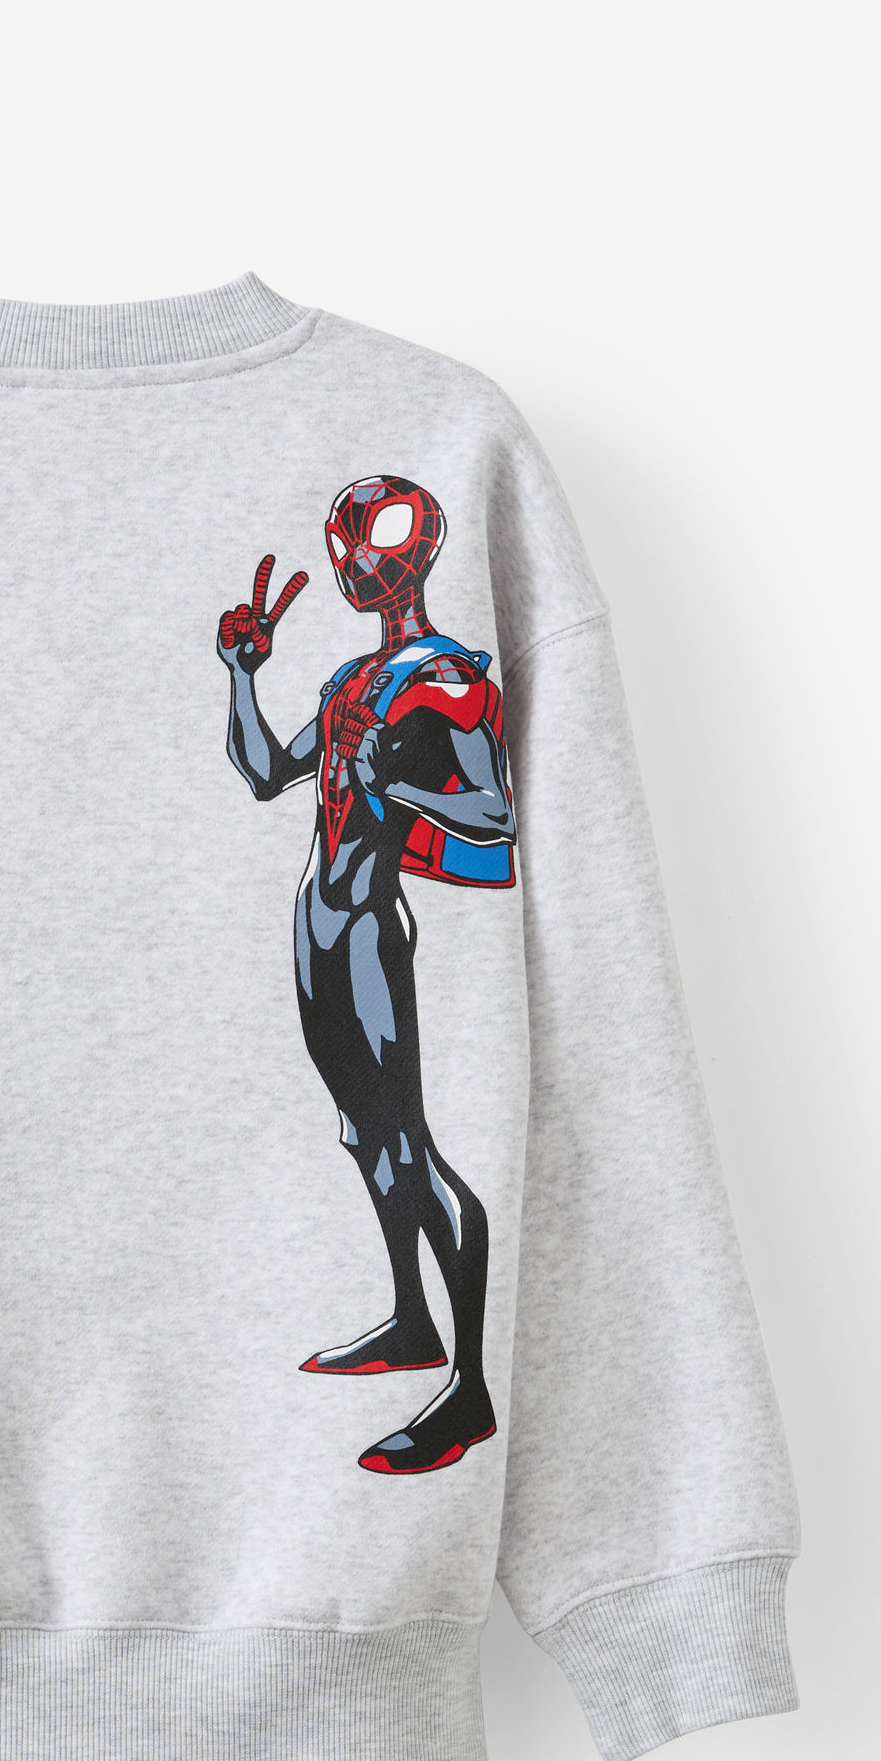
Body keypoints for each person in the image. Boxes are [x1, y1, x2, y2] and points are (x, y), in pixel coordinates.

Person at [218, 476, 517, 1473]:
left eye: (372, 537)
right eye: (342, 538)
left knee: (412, 1145)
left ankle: (470, 1391)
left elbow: (496, 815)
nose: (354, 560)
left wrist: (400, 780)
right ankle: (410, 1321)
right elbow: (268, 773)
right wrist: (241, 675)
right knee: (364, 1134)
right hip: (317, 926)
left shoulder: (452, 680)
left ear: (420, 548)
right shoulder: (351, 679)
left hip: (369, 934)